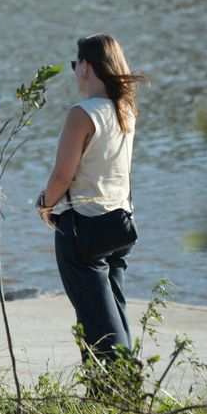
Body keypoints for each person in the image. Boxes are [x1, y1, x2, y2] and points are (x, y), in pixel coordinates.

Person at [35, 34, 146, 360]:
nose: (74, 72)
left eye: (74, 65)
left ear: (85, 66)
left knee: (95, 317)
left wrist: (45, 204)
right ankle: (116, 385)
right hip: (119, 224)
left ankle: (120, 386)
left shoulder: (82, 113)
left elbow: (62, 176)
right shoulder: (126, 108)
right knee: (112, 308)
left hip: (84, 226)